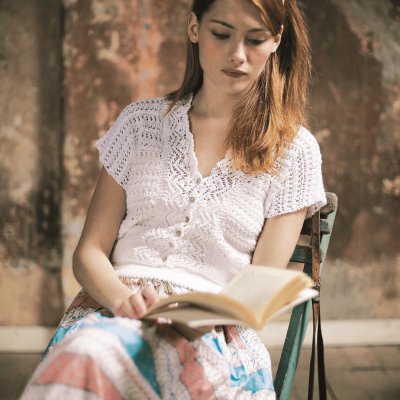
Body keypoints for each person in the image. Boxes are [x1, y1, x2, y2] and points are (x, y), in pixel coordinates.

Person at [21, 0, 326, 398]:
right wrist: (127, 303)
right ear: (194, 28)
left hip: (214, 334)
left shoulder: (293, 151)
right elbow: (90, 251)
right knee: (91, 352)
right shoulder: (141, 124)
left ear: (276, 42)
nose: (238, 55)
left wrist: (194, 319)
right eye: (221, 33)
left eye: (255, 40)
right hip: (111, 313)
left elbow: (262, 285)